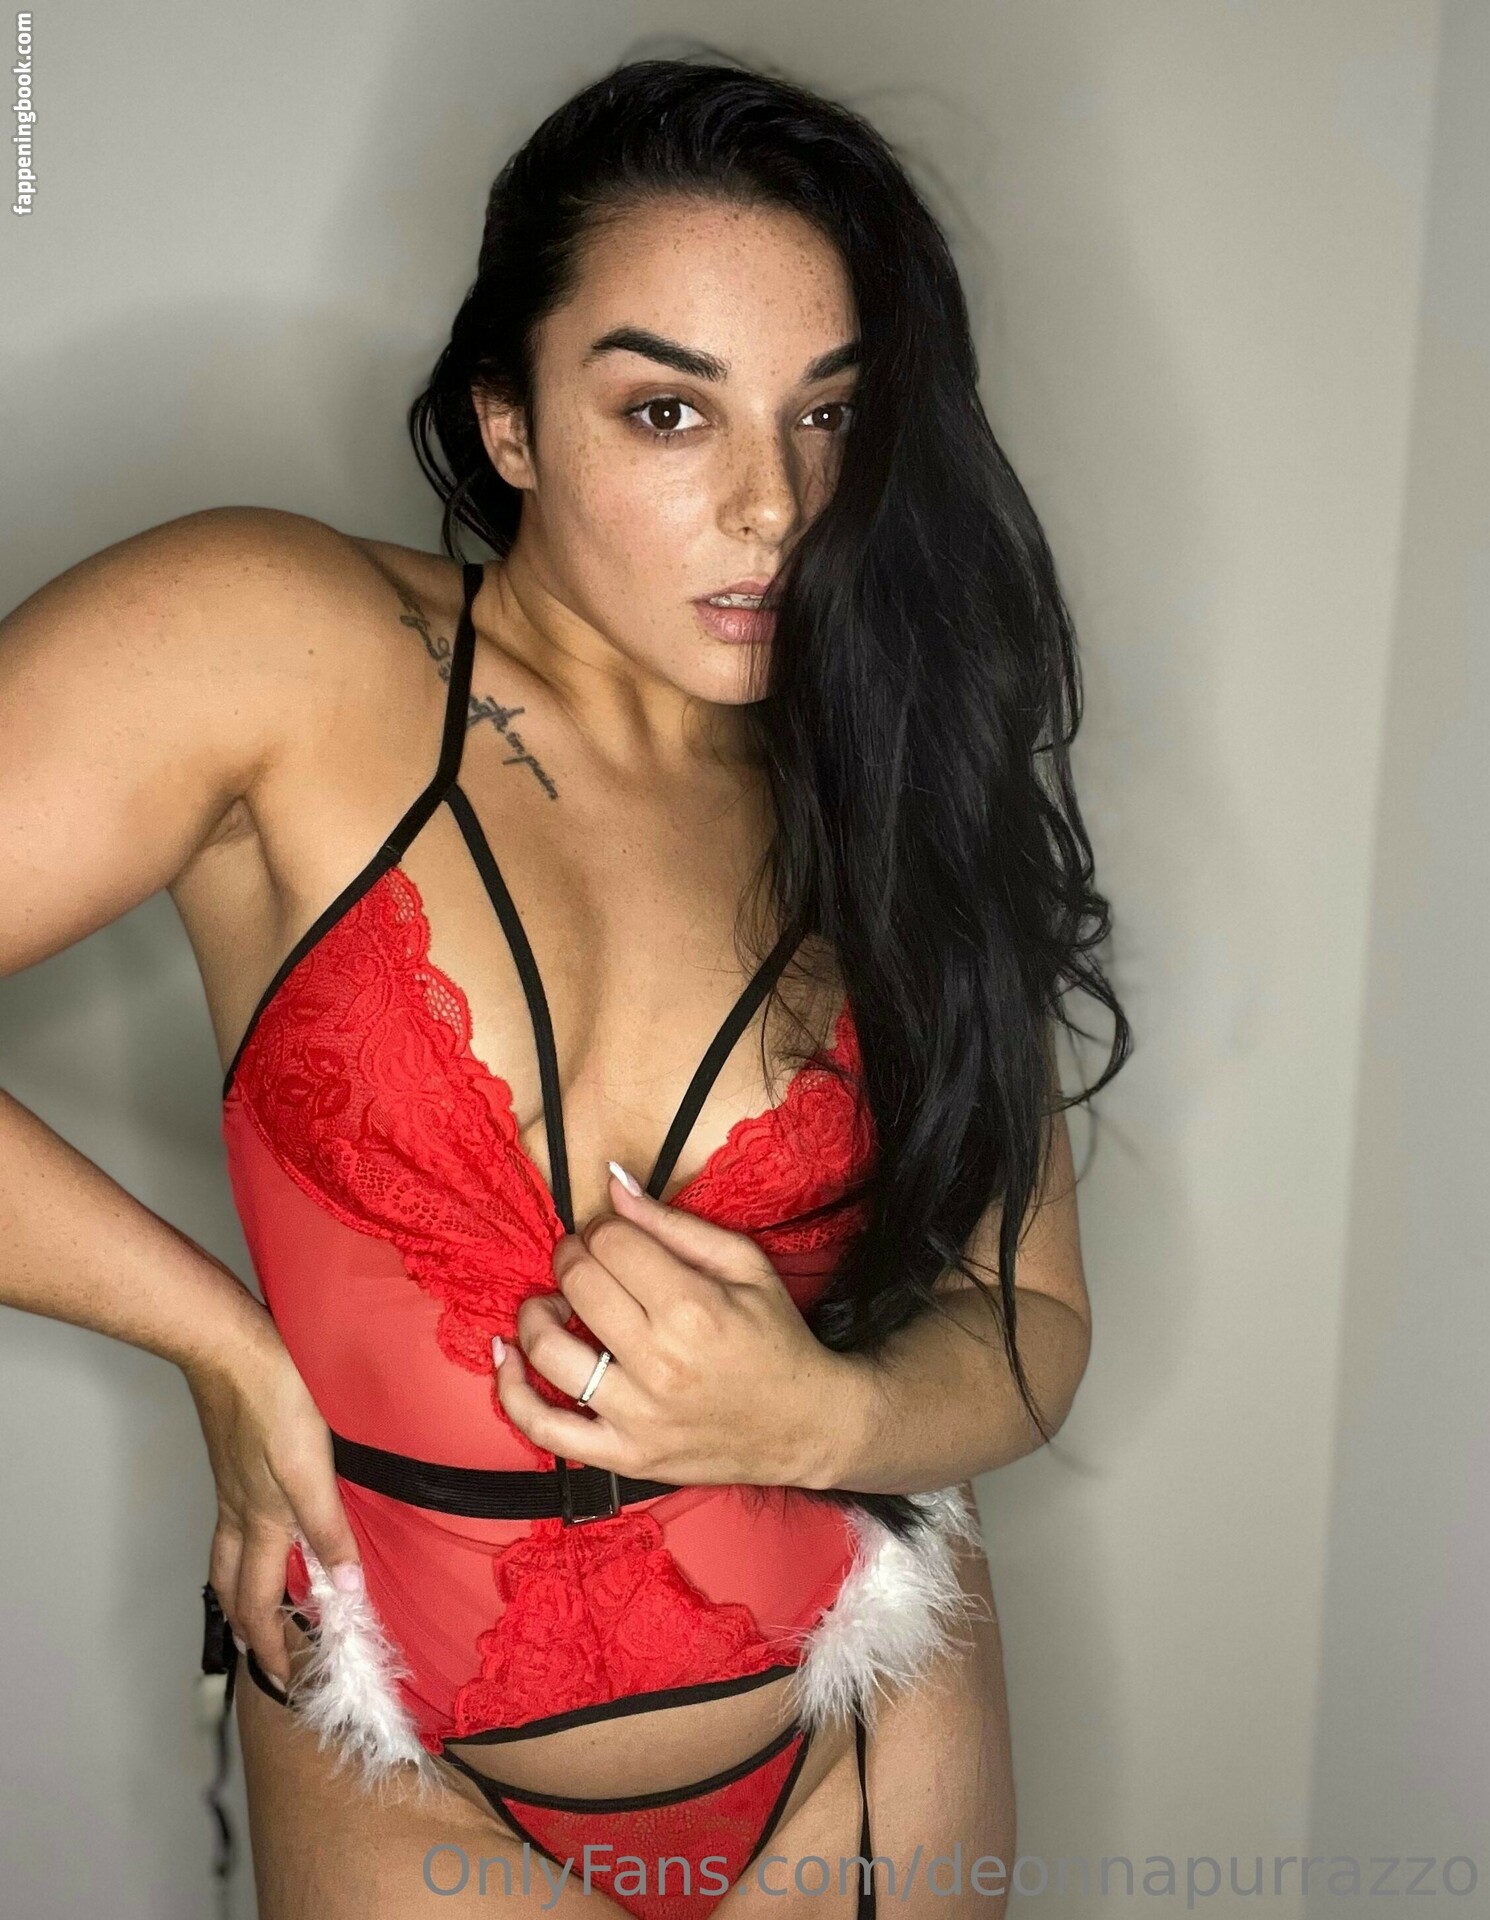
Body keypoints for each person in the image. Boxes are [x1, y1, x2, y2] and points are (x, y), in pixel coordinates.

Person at [0, 51, 1124, 1920]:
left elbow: (1032, 1316)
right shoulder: (275, 643)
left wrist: (818, 1424)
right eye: (668, 413)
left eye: (828, 415)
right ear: (506, 419)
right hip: (399, 1759)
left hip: (861, 1731)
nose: (773, 506)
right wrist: (217, 1342)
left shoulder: (894, 777)